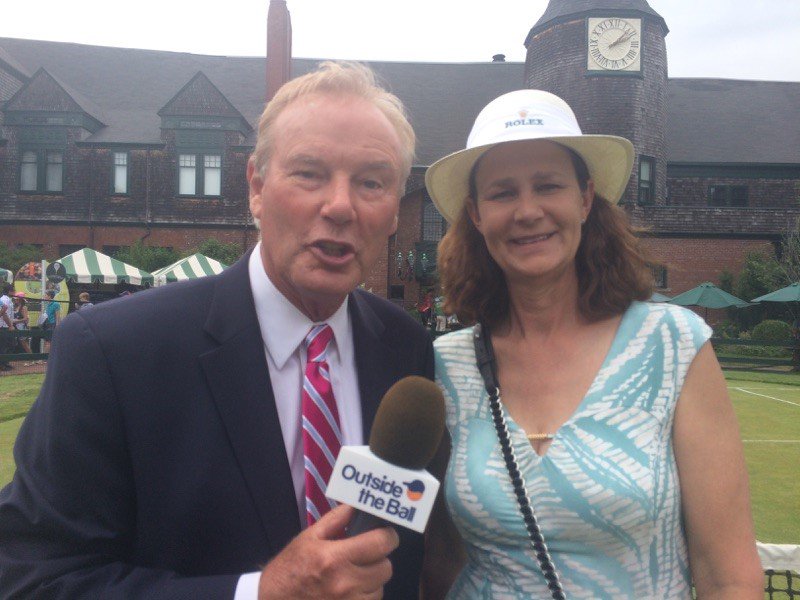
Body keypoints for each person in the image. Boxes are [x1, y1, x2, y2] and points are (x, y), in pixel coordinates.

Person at [0, 62, 434, 599]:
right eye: (309, 173)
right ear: (255, 187)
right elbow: (38, 579)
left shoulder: (407, 348)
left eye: (372, 181)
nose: (341, 205)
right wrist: (258, 593)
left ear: (395, 209)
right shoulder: (113, 351)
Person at [421, 90, 762, 599]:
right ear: (475, 214)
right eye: (502, 193)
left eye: (548, 185)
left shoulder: (672, 344)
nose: (527, 210)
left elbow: (729, 575)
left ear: (584, 199)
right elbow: (439, 560)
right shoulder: (447, 366)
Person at [0, 283, 13, 370]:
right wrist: (10, 325)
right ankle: (3, 364)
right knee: (4, 346)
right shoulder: (5, 299)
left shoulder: (5, 299)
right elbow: (4, 311)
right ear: (9, 291)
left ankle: (5, 363)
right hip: (3, 325)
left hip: (6, 324)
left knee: (6, 345)